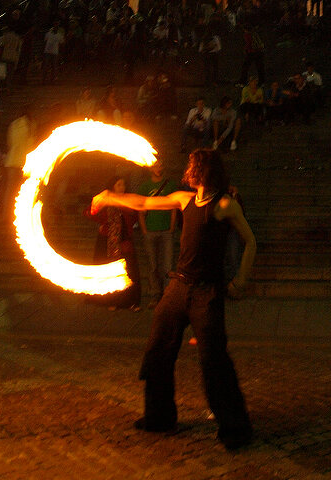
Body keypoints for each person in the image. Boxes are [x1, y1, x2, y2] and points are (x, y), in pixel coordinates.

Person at [91, 149, 255, 450]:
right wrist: (109, 197)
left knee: (213, 360)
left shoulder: (224, 205)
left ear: (203, 171)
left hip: (207, 292)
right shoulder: (184, 199)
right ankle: (159, 416)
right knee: (158, 349)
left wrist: (241, 280)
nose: (187, 170)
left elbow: (250, 241)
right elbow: (143, 202)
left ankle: (235, 427)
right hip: (178, 286)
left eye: (193, 166)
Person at [92, 176, 141, 310]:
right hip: (109, 242)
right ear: (113, 187)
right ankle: (112, 300)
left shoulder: (128, 200)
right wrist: (102, 224)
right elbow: (92, 212)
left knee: (129, 272)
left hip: (125, 240)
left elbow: (134, 214)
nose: (122, 187)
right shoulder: (107, 201)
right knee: (112, 272)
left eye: (123, 185)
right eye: (119, 185)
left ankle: (131, 302)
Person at [137, 160, 176, 308]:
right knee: (153, 265)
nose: (158, 168)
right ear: (151, 168)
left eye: (161, 165)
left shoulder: (170, 185)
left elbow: (174, 206)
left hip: (166, 230)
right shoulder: (145, 186)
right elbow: (140, 209)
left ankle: (167, 295)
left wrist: (172, 227)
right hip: (150, 229)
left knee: (167, 265)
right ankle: (155, 295)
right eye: (156, 166)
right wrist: (144, 230)